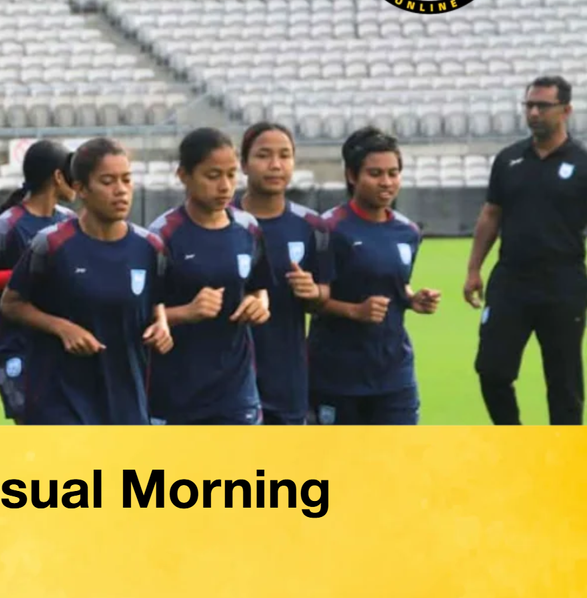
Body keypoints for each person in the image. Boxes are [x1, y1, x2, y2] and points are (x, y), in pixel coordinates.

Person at [0, 138, 173, 424]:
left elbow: (157, 301)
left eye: (126, 180)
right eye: (108, 181)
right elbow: (11, 303)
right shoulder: (51, 244)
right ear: (80, 188)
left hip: (126, 396)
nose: (121, 190)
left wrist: (161, 323)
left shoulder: (150, 247)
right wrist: (62, 328)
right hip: (61, 399)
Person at [466, 75, 587, 425]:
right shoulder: (508, 160)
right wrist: (474, 268)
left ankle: (563, 461)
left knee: (563, 382)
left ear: (566, 110)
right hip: (511, 281)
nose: (534, 113)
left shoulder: (581, 163)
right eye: (529, 106)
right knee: (491, 370)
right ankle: (514, 441)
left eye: (542, 106)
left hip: (563, 282)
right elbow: (491, 214)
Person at [308, 128, 439, 424]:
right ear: (352, 176)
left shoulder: (408, 232)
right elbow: (311, 300)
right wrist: (354, 311)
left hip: (394, 372)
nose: (387, 182)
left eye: (393, 173)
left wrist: (412, 298)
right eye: (376, 173)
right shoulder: (328, 229)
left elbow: (393, 283)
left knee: (396, 463)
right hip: (338, 374)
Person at [148, 128, 272, 425]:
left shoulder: (248, 228)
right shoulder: (161, 236)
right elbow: (138, 314)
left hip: (236, 391)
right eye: (212, 175)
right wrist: (186, 313)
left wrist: (260, 304)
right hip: (177, 393)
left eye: (231, 175)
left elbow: (259, 287)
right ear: (184, 175)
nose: (225, 186)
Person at [233, 122, 333, 425]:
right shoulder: (220, 222)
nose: (276, 165)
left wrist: (314, 293)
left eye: (285, 155)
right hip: (226, 379)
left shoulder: (312, 227)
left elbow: (325, 293)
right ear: (244, 163)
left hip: (286, 378)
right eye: (264, 155)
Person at [0, 139, 78, 422]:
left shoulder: (70, 221)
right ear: (58, 177)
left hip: (61, 348)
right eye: (72, 173)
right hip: (19, 349)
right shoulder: (7, 226)